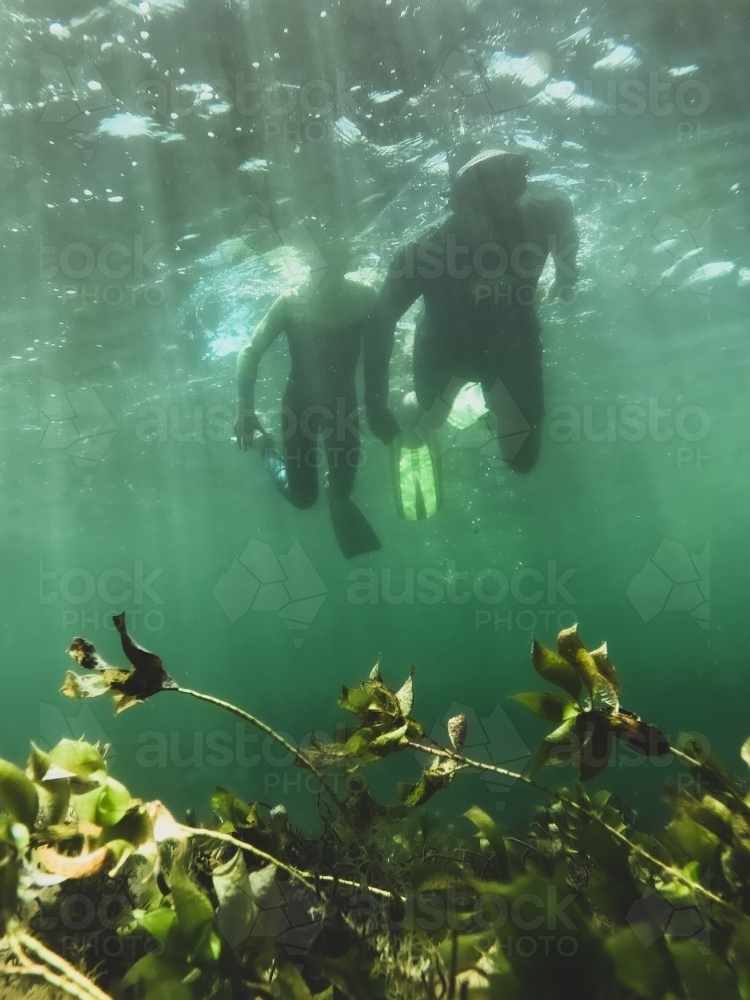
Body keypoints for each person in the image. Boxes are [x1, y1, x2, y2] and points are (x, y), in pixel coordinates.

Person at [367, 148, 579, 519]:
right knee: (426, 421)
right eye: (483, 193)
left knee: (522, 461)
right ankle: (416, 400)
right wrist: (375, 403)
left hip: (513, 346)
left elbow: (565, 226)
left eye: (507, 187)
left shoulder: (546, 215)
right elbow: (379, 323)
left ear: (520, 185)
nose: (497, 205)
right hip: (444, 348)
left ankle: (486, 407)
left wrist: (566, 275)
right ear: (457, 202)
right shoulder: (424, 253)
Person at [235, 247, 396, 558]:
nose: (328, 273)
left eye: (335, 263)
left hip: (341, 409)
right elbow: (249, 351)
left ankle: (330, 481)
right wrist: (244, 410)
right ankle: (264, 445)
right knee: (303, 498)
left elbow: (381, 351)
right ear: (311, 264)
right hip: (300, 409)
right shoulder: (291, 300)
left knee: (343, 489)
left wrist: (377, 406)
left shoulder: (365, 297)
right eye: (324, 263)